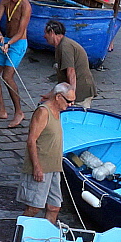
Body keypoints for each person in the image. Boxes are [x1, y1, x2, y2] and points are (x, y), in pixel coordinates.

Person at [19, 84, 73, 222]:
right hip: (42, 167)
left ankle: (46, 239)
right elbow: (31, 140)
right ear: (59, 97)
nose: (71, 104)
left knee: (54, 206)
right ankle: (19, 234)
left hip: (54, 167)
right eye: (69, 101)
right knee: (34, 207)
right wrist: (37, 167)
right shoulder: (43, 112)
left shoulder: (58, 110)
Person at [0, 0, 31, 126]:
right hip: (5, 40)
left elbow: (20, 32)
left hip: (18, 43)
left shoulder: (25, 5)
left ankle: (19, 112)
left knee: (7, 76)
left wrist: (9, 43)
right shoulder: (5, 1)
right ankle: (1, 110)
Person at [45, 20, 94, 108]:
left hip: (80, 90)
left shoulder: (65, 47)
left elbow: (71, 72)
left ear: (52, 32)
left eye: (46, 33)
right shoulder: (61, 45)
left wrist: (71, 97)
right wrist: (52, 93)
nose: (44, 36)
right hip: (73, 89)